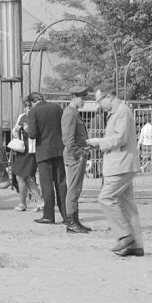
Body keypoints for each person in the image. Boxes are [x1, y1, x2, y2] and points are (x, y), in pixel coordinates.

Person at [87, 82, 144, 257]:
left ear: (109, 96)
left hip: (121, 165)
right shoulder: (118, 111)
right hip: (121, 164)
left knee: (106, 198)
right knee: (127, 205)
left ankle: (124, 236)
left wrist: (99, 142)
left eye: (99, 101)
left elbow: (120, 138)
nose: (99, 105)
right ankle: (136, 245)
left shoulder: (121, 111)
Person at [26, 92, 68, 225]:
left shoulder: (34, 111)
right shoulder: (57, 108)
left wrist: (27, 129)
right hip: (59, 149)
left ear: (32, 102)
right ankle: (67, 215)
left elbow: (33, 134)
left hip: (44, 151)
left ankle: (49, 215)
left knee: (47, 183)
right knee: (61, 182)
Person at [61, 86, 92, 233]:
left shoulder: (74, 113)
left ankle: (75, 221)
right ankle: (71, 222)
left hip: (77, 155)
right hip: (74, 156)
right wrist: (79, 153)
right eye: (82, 98)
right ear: (73, 97)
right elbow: (68, 139)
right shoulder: (69, 114)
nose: (84, 100)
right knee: (73, 189)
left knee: (76, 189)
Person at [10, 101, 41, 213]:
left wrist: (29, 130)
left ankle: (33, 202)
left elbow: (37, 134)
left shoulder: (37, 117)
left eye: (30, 107)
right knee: (20, 176)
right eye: (26, 107)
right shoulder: (21, 117)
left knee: (25, 176)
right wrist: (16, 129)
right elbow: (14, 132)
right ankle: (27, 202)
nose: (28, 109)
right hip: (21, 149)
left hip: (30, 150)